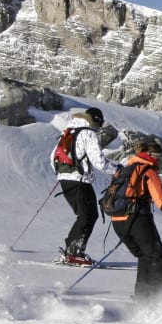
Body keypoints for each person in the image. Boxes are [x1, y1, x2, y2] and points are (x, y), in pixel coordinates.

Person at [110, 139, 162, 301]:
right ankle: (158, 300)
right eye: (159, 158)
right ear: (151, 156)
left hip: (117, 221)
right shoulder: (148, 171)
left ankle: (143, 298)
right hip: (137, 219)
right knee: (158, 259)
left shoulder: (124, 170)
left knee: (145, 257)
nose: (160, 162)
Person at [51, 107, 118, 266]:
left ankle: (71, 251)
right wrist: (117, 170)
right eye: (100, 123)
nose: (99, 127)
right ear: (96, 120)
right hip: (79, 180)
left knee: (84, 215)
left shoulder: (68, 132)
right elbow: (99, 162)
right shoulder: (88, 133)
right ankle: (74, 253)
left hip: (65, 180)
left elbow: (53, 156)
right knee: (88, 215)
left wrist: (62, 174)